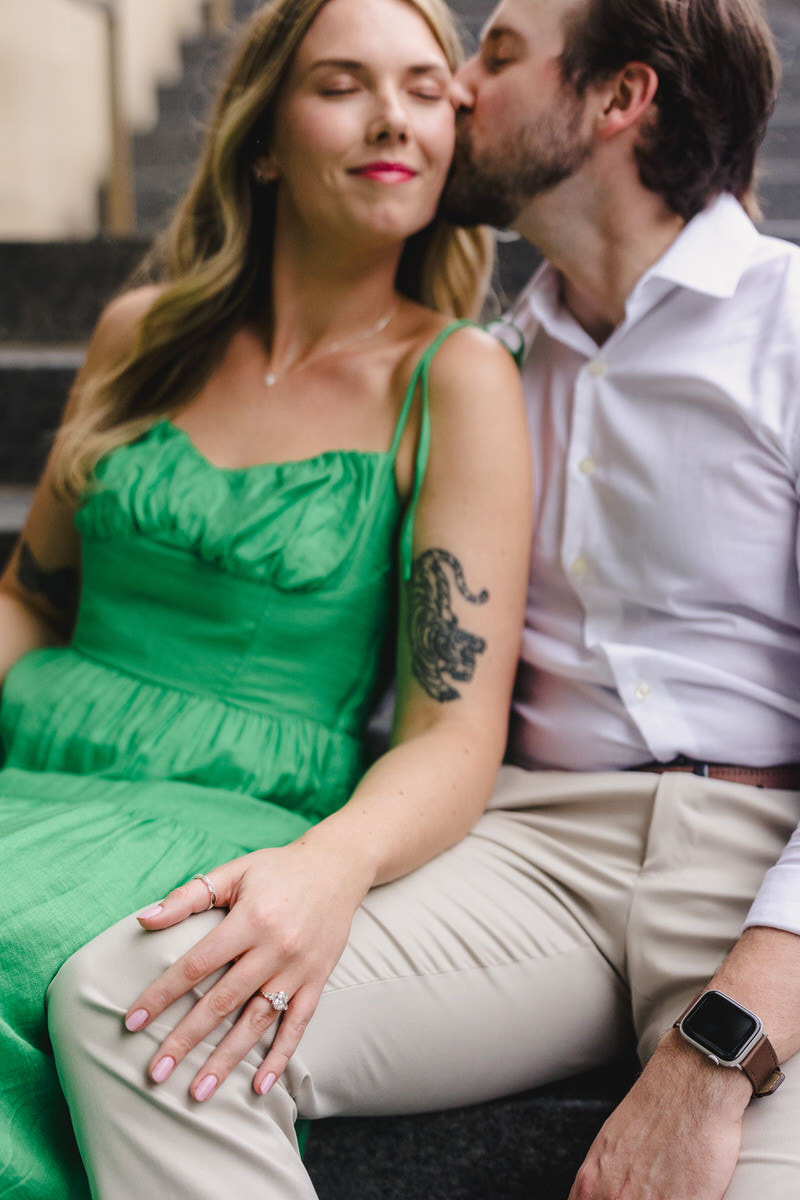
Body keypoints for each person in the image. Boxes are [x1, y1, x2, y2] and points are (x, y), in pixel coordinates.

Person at [41, 0, 800, 1197]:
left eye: (491, 56)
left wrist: (718, 1051)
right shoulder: (501, 356)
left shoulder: (785, 329)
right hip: (532, 846)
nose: (448, 92)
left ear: (618, 99)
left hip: (765, 866)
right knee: (137, 1009)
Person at [0, 0, 533, 1196]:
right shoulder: (140, 334)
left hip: (217, 808)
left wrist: (332, 868)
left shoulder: (452, 376)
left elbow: (456, 732)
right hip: (26, 758)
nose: (390, 115)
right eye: (342, 84)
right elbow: (32, 599)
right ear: (261, 135)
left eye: (421, 87)